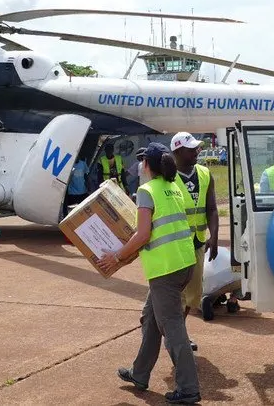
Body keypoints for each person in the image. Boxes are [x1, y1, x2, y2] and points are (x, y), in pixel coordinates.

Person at [98, 142, 201, 404]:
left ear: (146, 165)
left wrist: (117, 257)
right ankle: (140, 373)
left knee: (173, 327)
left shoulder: (146, 191)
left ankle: (188, 389)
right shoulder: (174, 187)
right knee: (151, 318)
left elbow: (143, 234)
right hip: (184, 263)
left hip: (165, 270)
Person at [171, 132, 219, 343]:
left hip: (198, 241)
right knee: (177, 294)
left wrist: (214, 237)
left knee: (194, 292)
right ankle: (178, 336)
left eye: (197, 148)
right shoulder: (168, 177)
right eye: (191, 149)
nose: (197, 152)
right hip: (175, 244)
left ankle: (178, 332)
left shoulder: (205, 174)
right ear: (178, 152)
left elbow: (212, 209)